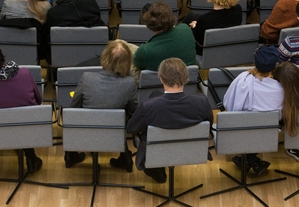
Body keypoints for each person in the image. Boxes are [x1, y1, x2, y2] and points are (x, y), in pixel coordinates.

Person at [127, 57, 213, 183]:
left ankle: (156, 168)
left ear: (161, 79)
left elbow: (132, 128)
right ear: (186, 78)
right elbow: (208, 125)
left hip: (157, 151)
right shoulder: (202, 102)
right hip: (190, 151)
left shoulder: (149, 107)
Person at [0, 44, 44, 173]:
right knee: (21, 118)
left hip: (1, 130)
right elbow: (38, 100)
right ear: (2, 56)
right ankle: (30, 157)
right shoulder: (25, 73)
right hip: (29, 125)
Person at [70, 40, 138, 172]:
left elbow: (73, 107)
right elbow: (134, 111)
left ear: (104, 57)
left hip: (86, 131)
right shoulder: (130, 83)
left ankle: (71, 153)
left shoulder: (86, 77)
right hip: (114, 133)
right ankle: (125, 154)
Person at [223, 45, 284, 175]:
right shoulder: (280, 89)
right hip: (267, 135)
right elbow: (280, 115)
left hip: (238, 130)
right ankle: (251, 160)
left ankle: (247, 160)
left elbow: (227, 103)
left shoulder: (241, 79)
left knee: (248, 124)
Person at [133, 2, 197, 72]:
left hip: (157, 82)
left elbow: (137, 63)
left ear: (148, 23)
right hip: (187, 80)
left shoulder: (145, 51)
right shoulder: (186, 29)